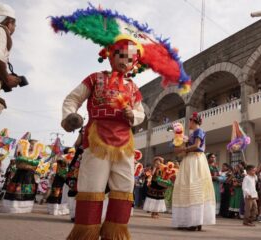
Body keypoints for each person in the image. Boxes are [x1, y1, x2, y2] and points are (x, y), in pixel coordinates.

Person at [52, 4, 190, 238]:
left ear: (135, 64)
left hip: (124, 143)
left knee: (124, 188)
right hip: (97, 140)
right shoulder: (95, 78)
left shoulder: (133, 87)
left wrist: (132, 116)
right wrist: (70, 117)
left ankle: (115, 233)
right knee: (92, 187)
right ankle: (85, 233)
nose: (126, 62)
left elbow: (141, 113)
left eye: (131, 59)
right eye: (121, 56)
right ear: (110, 54)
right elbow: (72, 98)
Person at [172, 112, 215, 231]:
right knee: (188, 187)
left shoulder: (198, 131)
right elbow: (183, 149)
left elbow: (197, 145)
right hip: (189, 160)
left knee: (194, 187)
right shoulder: (190, 134)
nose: (188, 124)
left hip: (195, 159)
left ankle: (196, 221)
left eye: (190, 121)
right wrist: (178, 145)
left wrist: (184, 148)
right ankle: (189, 221)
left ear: (193, 121)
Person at [1, 137, 43, 213]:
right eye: (32, 144)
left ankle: (25, 208)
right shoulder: (21, 152)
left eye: (35, 145)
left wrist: (29, 166)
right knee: (16, 191)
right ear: (29, 144)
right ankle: (13, 207)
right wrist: (26, 165)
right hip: (20, 174)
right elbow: (18, 165)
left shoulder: (37, 156)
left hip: (29, 175)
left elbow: (37, 167)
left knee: (27, 191)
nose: (32, 146)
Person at [46, 150, 70, 216]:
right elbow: (62, 174)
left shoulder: (63, 161)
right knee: (57, 196)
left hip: (59, 181)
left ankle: (54, 210)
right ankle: (56, 211)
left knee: (57, 196)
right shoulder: (63, 160)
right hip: (59, 182)